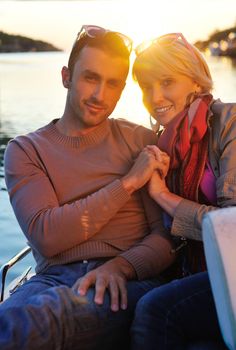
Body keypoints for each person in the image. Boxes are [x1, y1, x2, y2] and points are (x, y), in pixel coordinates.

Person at [0, 25, 176, 349]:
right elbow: (48, 236)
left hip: (125, 280)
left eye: (113, 84)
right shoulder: (25, 151)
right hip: (51, 279)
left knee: (45, 318)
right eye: (90, 78)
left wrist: (121, 267)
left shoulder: (140, 141)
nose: (100, 96)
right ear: (66, 76)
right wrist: (128, 182)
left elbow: (166, 238)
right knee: (11, 319)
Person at [131, 33, 236, 349]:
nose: (155, 95)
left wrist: (162, 195)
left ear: (195, 82)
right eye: (146, 86)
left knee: (156, 310)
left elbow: (231, 228)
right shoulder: (164, 143)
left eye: (166, 82)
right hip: (192, 269)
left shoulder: (228, 122)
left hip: (232, 268)